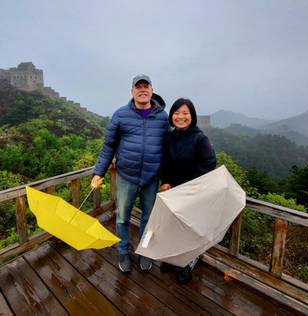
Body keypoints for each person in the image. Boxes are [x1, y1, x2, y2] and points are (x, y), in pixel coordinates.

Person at [91, 74, 169, 273]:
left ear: (152, 90)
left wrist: (168, 178)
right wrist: (99, 172)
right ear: (132, 91)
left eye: (146, 86)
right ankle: (123, 251)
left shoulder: (162, 117)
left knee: (148, 219)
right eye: (138, 87)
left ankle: (144, 251)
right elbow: (109, 146)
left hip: (151, 178)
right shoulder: (121, 114)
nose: (142, 90)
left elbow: (169, 148)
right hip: (126, 176)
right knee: (122, 217)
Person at [159, 97, 217, 284]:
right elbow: (165, 162)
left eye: (185, 113)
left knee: (189, 229)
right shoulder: (170, 136)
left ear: (192, 116)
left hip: (192, 193)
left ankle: (187, 263)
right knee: (172, 227)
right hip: (172, 191)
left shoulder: (200, 139)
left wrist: (188, 186)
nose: (181, 117)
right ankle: (171, 258)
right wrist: (165, 181)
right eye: (177, 113)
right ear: (171, 116)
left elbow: (209, 163)